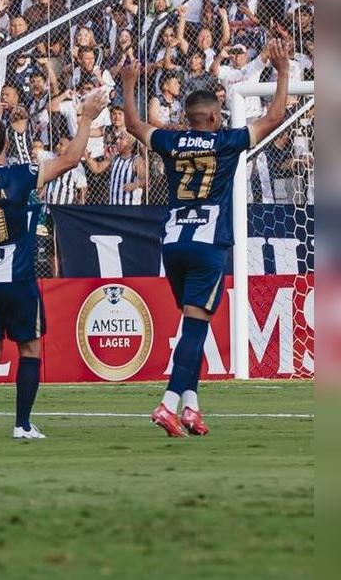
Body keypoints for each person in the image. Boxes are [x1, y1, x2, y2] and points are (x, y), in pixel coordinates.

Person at [118, 40, 291, 437]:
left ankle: (191, 408)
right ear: (213, 117)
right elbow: (275, 116)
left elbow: (132, 125)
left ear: (187, 117)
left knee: (194, 322)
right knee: (196, 328)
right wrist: (282, 72)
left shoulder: (171, 140)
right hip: (208, 242)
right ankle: (168, 402)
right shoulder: (225, 142)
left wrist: (129, 85)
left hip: (174, 242)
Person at [0, 88, 110, 440]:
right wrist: (87, 117)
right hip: (15, 277)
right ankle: (22, 424)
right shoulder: (17, 177)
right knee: (29, 349)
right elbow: (71, 159)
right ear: (5, 143)